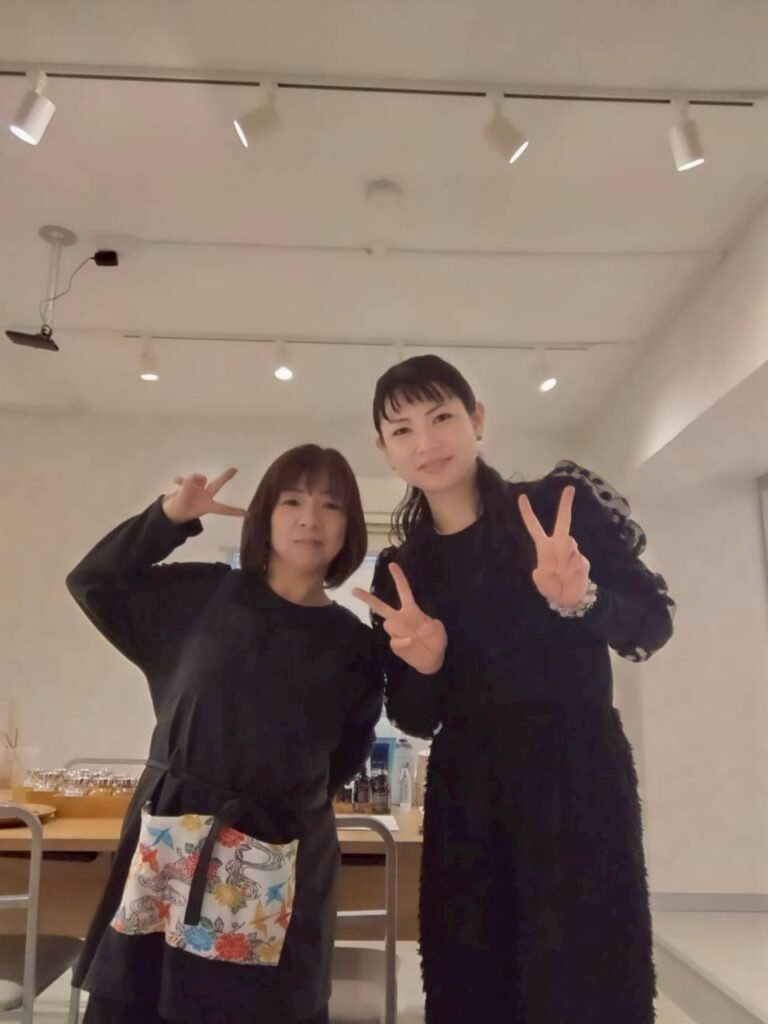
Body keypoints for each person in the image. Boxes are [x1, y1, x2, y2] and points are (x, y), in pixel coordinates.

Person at [354, 355, 676, 1024]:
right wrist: (427, 665)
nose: (426, 441)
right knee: (472, 984)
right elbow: (413, 717)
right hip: (468, 797)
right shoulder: (404, 570)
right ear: (384, 450)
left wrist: (582, 598)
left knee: (590, 980)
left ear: (477, 420)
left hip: (577, 780)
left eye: (441, 416)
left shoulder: (555, 511)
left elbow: (650, 626)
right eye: (403, 430)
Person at [66, 445, 383, 1024]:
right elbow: (93, 581)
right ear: (266, 516)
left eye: (331, 505)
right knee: (139, 1004)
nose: (310, 518)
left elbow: (343, 761)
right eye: (292, 501)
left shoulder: (357, 648)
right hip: (172, 837)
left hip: (279, 853)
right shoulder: (205, 595)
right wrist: (168, 518)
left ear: (349, 528)